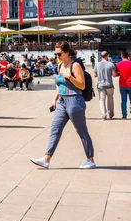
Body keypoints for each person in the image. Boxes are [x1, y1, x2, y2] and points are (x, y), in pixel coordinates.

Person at [31, 41, 96, 169]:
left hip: (74, 101)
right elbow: (60, 85)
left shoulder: (75, 65)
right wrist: (54, 99)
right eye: (55, 54)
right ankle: (46, 159)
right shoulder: (60, 65)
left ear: (66, 52)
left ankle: (90, 160)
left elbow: (82, 85)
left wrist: (70, 77)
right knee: (55, 130)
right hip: (62, 102)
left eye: (59, 54)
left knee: (81, 131)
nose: (57, 57)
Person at [94, 51, 117, 120]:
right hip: (109, 85)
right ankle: (110, 114)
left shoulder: (97, 64)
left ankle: (103, 114)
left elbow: (95, 75)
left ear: (101, 56)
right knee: (110, 99)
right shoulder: (111, 64)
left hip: (100, 85)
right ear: (107, 56)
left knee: (102, 100)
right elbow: (114, 75)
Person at [116, 50, 131, 119]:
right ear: (128, 56)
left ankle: (124, 115)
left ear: (121, 56)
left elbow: (115, 74)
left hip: (122, 85)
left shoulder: (118, 64)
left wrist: (120, 74)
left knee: (123, 100)